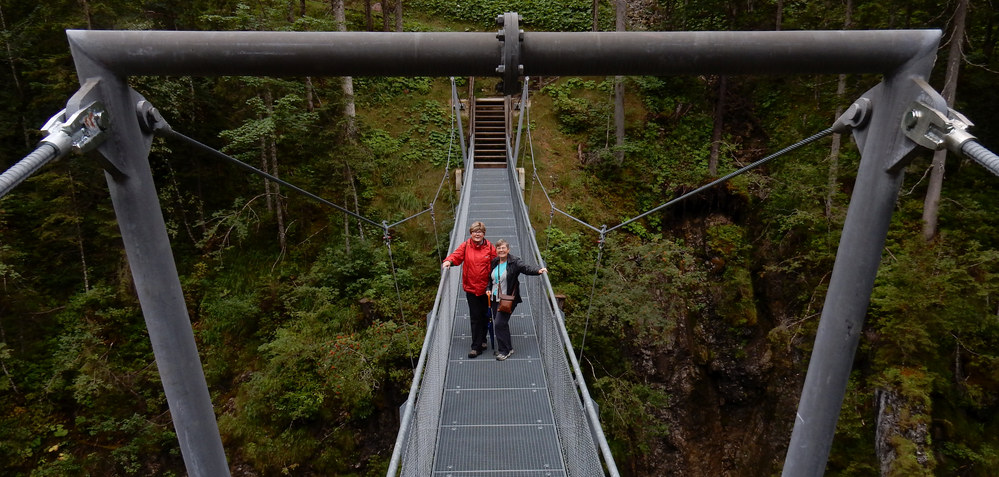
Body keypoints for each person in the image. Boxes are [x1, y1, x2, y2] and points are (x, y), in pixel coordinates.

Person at [486, 239, 547, 361]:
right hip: (494, 298)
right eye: (499, 248)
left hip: (508, 299)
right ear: (496, 250)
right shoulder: (494, 261)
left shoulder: (514, 262)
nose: (501, 250)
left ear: (508, 250)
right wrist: (488, 288)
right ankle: (508, 347)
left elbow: (525, 268)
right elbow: (490, 279)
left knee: (498, 324)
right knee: (501, 324)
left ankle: (504, 351)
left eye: (503, 248)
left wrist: (538, 270)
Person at [443, 221, 497, 358]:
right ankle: (476, 347)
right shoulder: (466, 246)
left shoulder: (490, 248)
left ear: (484, 233)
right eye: (474, 231)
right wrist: (449, 261)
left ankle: (483, 340)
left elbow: (497, 263)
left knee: (485, 315)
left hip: (486, 288)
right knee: (475, 317)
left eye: (480, 232)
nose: (477, 234)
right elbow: (457, 256)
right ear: (471, 233)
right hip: (471, 288)